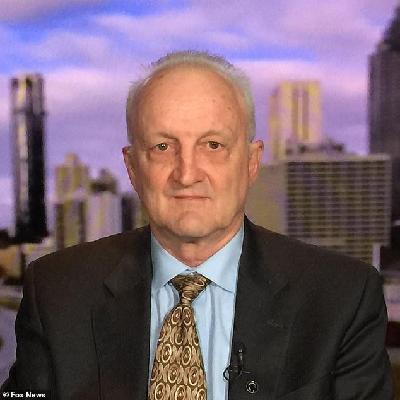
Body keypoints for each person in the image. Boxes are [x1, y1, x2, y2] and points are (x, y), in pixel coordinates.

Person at [1, 51, 393, 400]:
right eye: (162, 147)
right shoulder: (57, 292)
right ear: (132, 167)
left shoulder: (343, 297)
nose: (187, 174)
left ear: (251, 162)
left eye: (213, 145)